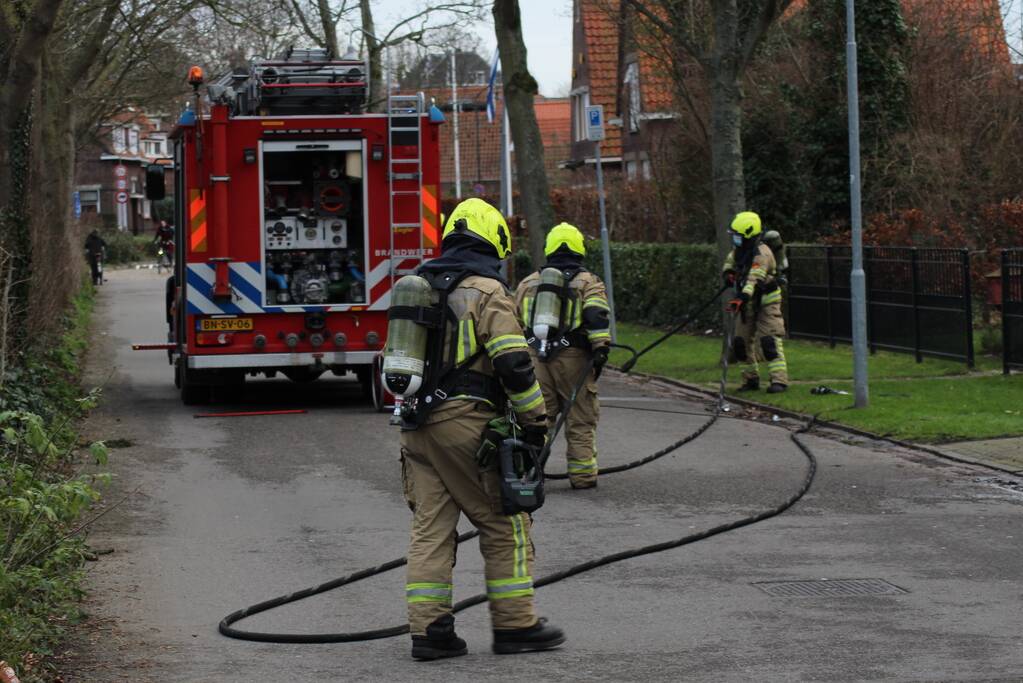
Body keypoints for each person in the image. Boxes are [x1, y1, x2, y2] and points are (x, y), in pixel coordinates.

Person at [397, 198, 565, 661]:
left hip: (416, 427)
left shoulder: (420, 284)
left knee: (431, 528)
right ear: (494, 241)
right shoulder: (486, 291)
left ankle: (430, 633)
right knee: (504, 521)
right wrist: (535, 422)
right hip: (462, 423)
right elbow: (514, 363)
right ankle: (516, 625)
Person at [514, 223, 610, 489]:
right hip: (574, 360)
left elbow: (513, 318)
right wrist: (601, 347)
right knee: (580, 417)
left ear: (549, 248)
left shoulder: (529, 283)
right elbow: (596, 315)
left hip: (535, 358)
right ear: (579, 248)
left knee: (538, 418)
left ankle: (532, 473)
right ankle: (582, 476)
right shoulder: (588, 282)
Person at [722, 211, 788, 393]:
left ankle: (779, 381)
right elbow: (730, 262)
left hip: (767, 302)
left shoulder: (762, 253)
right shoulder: (741, 251)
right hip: (748, 303)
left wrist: (741, 298)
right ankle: (750, 380)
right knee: (740, 343)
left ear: (749, 233)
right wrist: (728, 274)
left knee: (769, 341)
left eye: (737, 235)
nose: (735, 239)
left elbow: (754, 278)